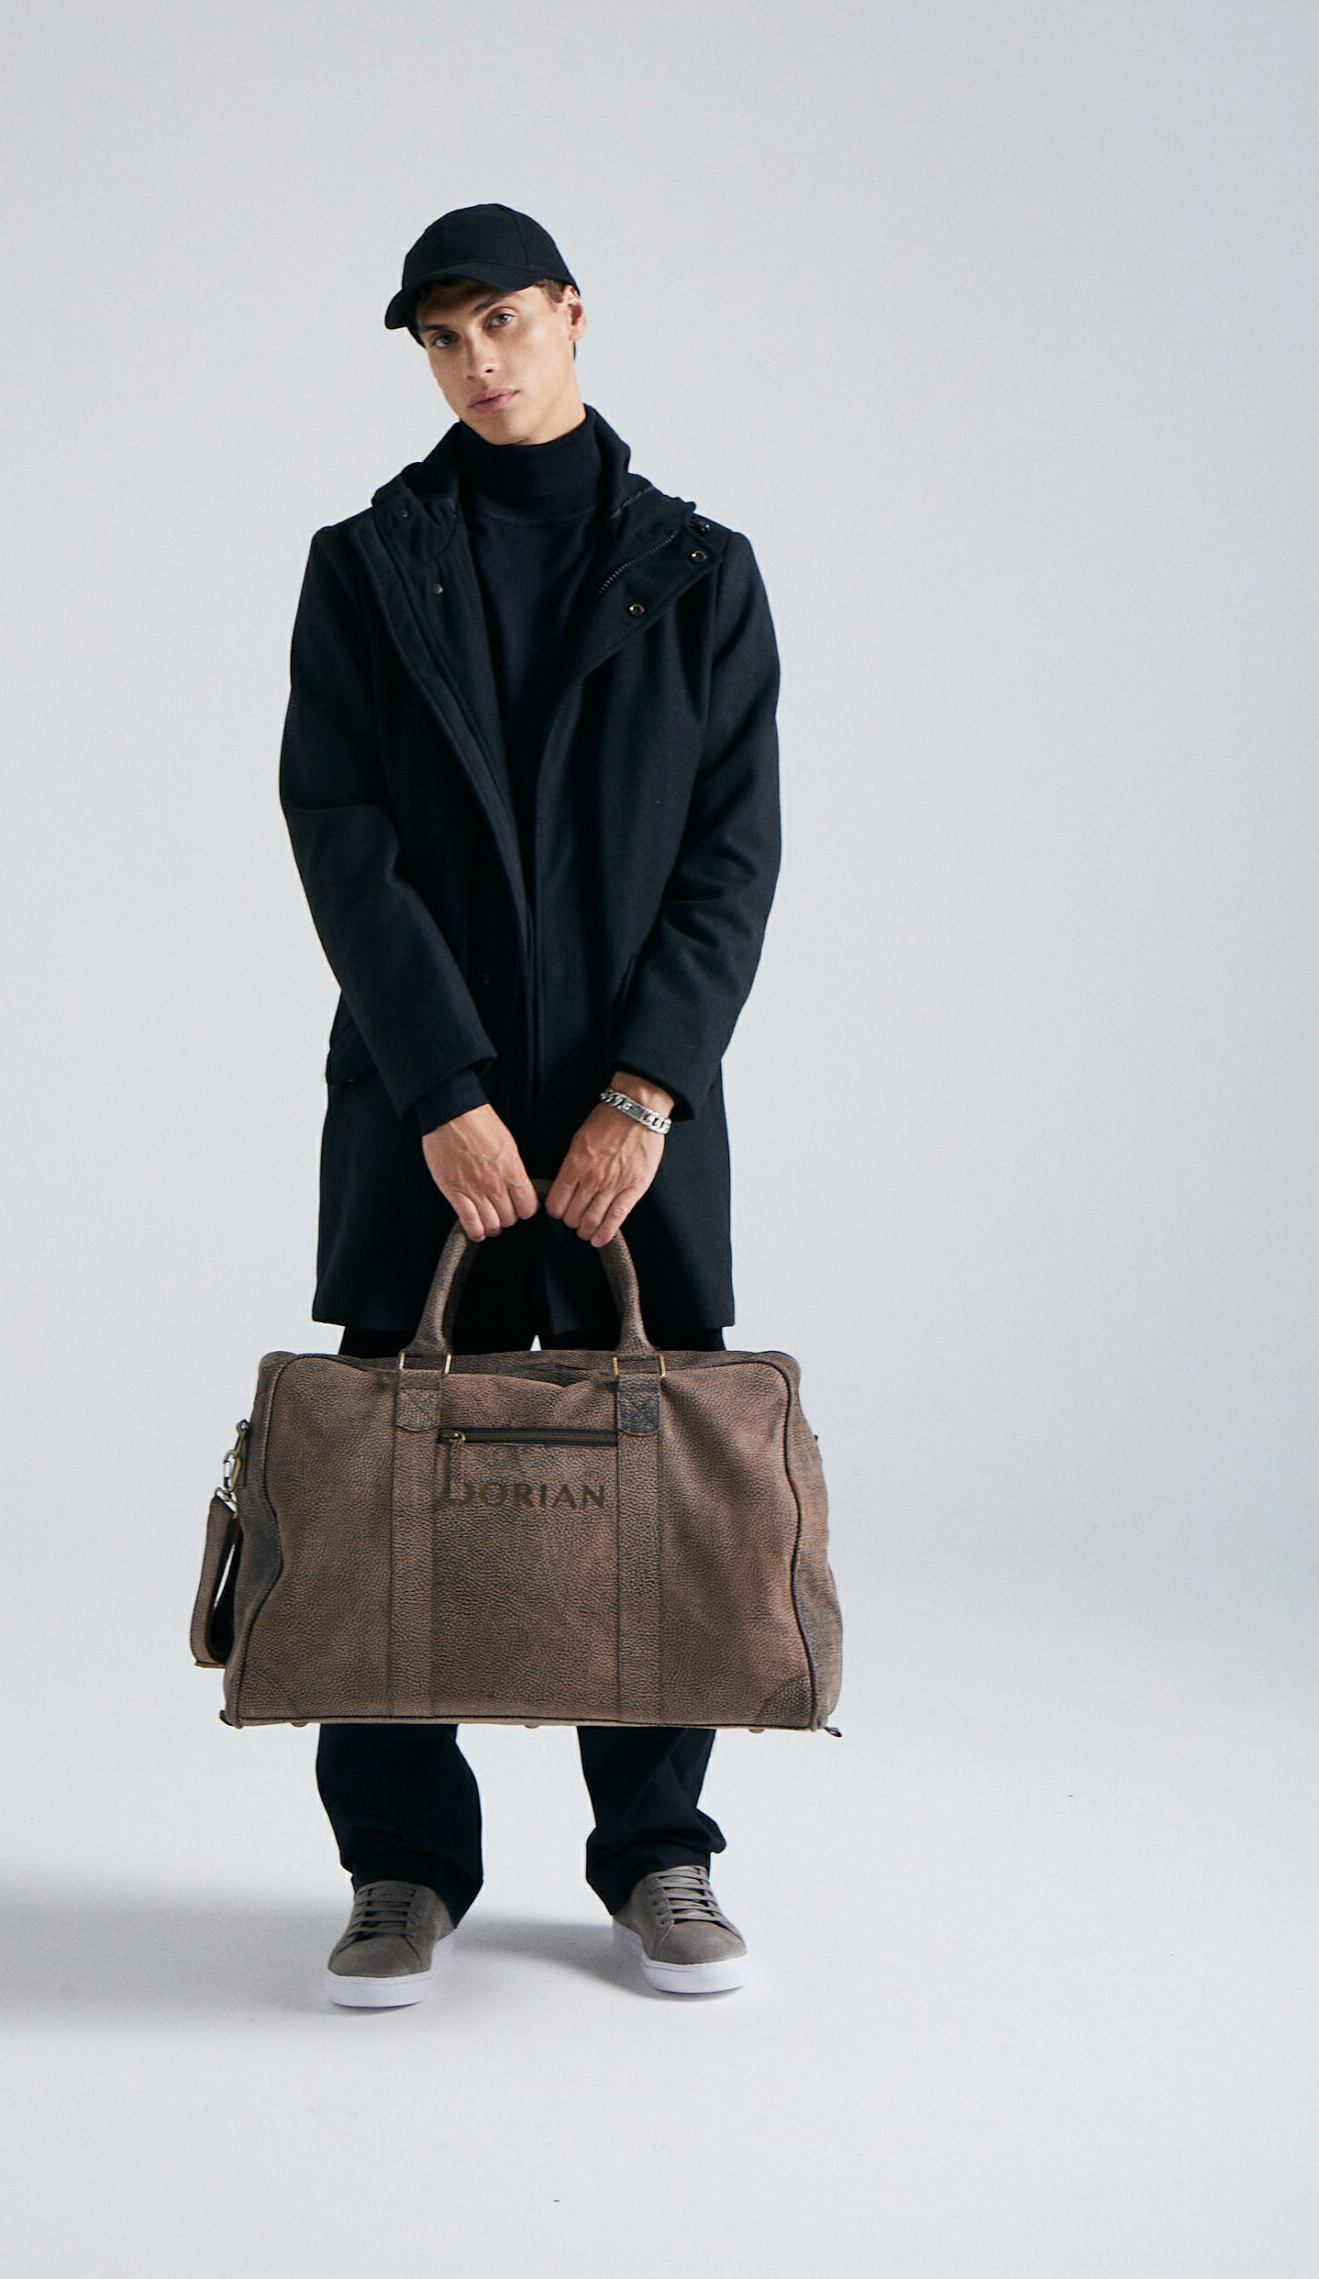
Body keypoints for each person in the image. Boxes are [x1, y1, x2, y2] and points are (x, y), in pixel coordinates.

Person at [278, 204, 782, 2006]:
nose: (478, 361)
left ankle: (658, 1850)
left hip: (638, 1114)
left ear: (573, 314)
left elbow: (732, 857)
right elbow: (340, 835)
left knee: (656, 1453)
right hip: (430, 1110)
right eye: (442, 338)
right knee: (391, 1461)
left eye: (503, 320)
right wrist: (444, 1089)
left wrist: (646, 1091)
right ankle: (400, 1864)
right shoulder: (366, 565)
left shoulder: (702, 574)